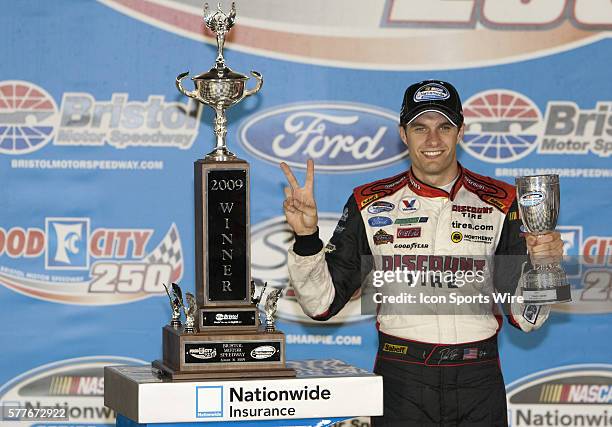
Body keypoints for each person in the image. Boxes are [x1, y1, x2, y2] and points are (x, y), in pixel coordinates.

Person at [280, 80, 563, 426]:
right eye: (420, 127)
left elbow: (527, 318)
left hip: (479, 377)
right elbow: (321, 305)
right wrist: (307, 237)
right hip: (402, 379)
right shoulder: (368, 202)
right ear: (403, 134)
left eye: (444, 127)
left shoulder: (502, 201)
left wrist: (548, 265)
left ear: (461, 131)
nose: (432, 140)